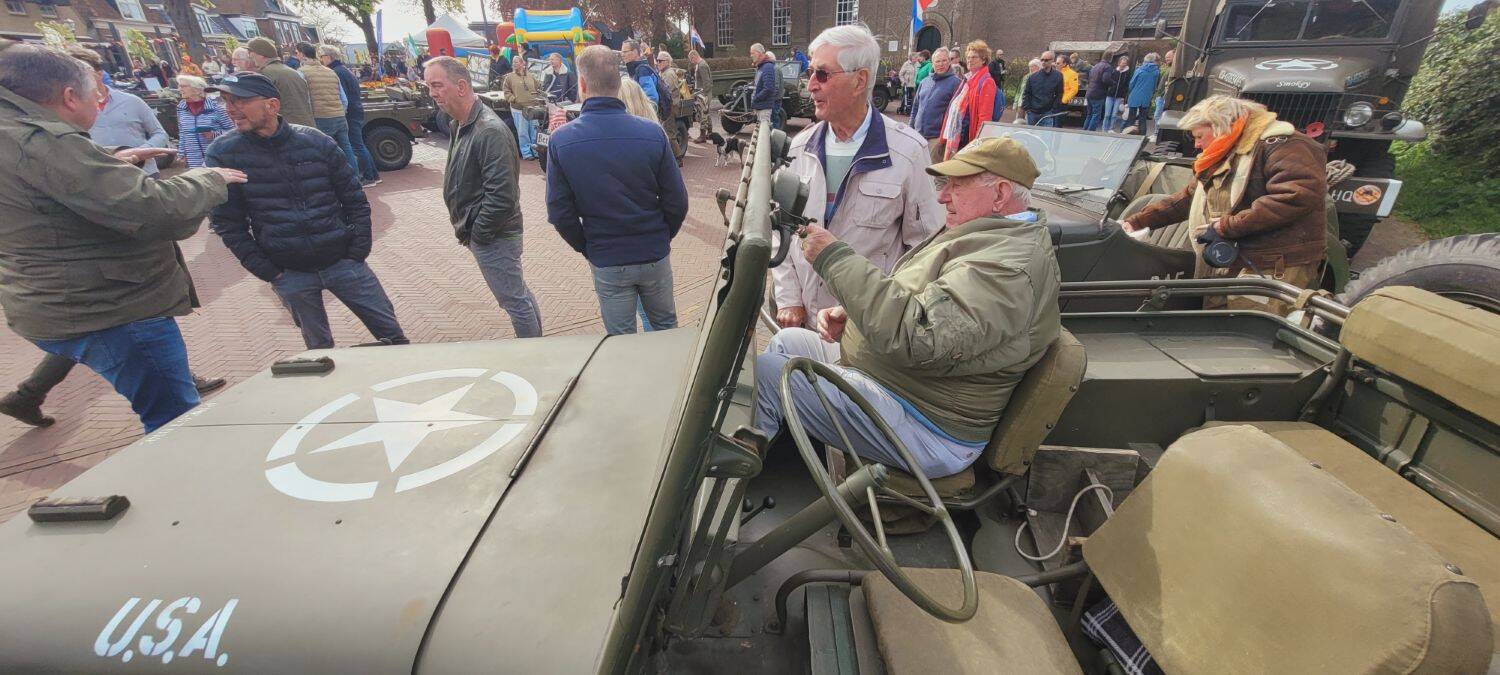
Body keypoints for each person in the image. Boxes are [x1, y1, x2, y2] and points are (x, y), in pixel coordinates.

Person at [754, 136, 1061, 478]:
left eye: (957, 186)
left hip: (928, 423)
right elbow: (925, 298)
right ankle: (776, 453)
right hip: (901, 384)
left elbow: (919, 338)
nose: (942, 196)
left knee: (767, 373)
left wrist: (834, 259)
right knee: (788, 342)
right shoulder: (987, 238)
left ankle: (730, 489)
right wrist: (857, 317)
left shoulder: (1007, 269)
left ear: (1000, 193)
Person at [0, 45, 246, 432]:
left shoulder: (16, 132)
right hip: (110, 306)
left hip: (54, 298)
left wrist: (111, 158)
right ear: (68, 97)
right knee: (175, 421)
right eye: (94, 96)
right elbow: (155, 211)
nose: (100, 104)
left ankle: (28, 394)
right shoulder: (42, 141)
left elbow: (56, 178)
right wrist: (207, 180)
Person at [205, 73, 407, 350]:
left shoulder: (316, 142)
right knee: (319, 352)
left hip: (344, 262)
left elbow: (354, 199)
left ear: (272, 105)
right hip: (289, 272)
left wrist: (356, 251)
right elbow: (228, 223)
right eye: (226, 101)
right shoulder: (223, 154)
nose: (230, 109)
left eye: (240, 100)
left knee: (395, 339)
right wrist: (269, 271)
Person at [774, 25, 943, 330]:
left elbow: (926, 252)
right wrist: (789, 299)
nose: (811, 84)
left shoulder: (908, 152)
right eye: (810, 72)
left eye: (822, 74)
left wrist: (870, 309)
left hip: (869, 331)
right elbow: (780, 232)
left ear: (859, 80)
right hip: (803, 324)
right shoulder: (798, 148)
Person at [1121, 96, 1328, 315]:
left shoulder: (1284, 144)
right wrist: (1136, 222)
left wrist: (1227, 226)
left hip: (1270, 264)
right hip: (1228, 260)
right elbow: (1191, 197)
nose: (1197, 144)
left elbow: (1295, 196)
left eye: (1200, 136)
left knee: (1249, 332)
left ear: (1221, 126)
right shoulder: (1226, 151)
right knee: (1217, 329)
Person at [546, 45, 687, 335]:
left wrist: (588, 246)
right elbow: (677, 201)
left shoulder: (561, 141)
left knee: (620, 343)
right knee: (666, 331)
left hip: (607, 255)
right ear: (618, 81)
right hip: (652, 252)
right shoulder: (652, 133)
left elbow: (560, 212)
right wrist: (660, 235)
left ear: (582, 84)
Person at [421, 57, 544, 338]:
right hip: (487, 232)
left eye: (437, 85)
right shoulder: (459, 124)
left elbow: (502, 196)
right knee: (517, 294)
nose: (433, 93)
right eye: (429, 87)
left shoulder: (488, 130)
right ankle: (538, 347)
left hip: (495, 234)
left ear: (461, 86)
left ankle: (536, 354)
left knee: (513, 300)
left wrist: (479, 233)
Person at [70, 47, 170, 175]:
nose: (77, 80)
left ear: (99, 74)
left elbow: (160, 133)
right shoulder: (70, 111)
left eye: (83, 74)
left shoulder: (132, 101)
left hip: (144, 174)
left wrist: (141, 152)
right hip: (105, 181)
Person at [297, 42, 360, 176]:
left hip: (321, 117)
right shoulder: (331, 72)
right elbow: (343, 98)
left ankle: (335, 181)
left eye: (297, 53)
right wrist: (340, 111)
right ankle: (355, 178)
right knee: (347, 148)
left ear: (302, 55)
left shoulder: (302, 73)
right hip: (339, 115)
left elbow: (306, 98)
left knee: (324, 151)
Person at [322, 45, 380, 187]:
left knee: (356, 145)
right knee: (359, 144)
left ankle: (368, 177)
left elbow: (343, 96)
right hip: (356, 109)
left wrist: (343, 111)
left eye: (322, 56)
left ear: (329, 57)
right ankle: (373, 174)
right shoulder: (344, 70)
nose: (321, 59)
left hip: (351, 112)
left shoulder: (336, 72)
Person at [938, 40, 1002, 160]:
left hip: (968, 137)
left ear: (983, 60)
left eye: (974, 57)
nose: (969, 60)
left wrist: (977, 144)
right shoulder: (968, 79)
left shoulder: (986, 81)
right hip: (959, 133)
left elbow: (984, 118)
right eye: (968, 57)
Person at [244, 36, 314, 127]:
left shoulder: (265, 74)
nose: (249, 55)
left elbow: (260, 108)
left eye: (250, 52)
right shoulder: (292, 71)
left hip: (288, 129)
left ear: (261, 54)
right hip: (306, 126)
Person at [909, 47, 961, 164]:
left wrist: (944, 139)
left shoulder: (956, 83)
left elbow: (957, 115)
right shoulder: (925, 82)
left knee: (935, 175)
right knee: (917, 170)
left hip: (937, 138)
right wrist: (910, 128)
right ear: (933, 63)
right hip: (918, 135)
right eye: (938, 61)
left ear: (949, 61)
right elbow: (916, 107)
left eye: (944, 61)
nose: (941, 64)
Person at [174, 74, 235, 168]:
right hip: (193, 161)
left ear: (198, 89)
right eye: (179, 86)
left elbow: (233, 132)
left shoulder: (216, 108)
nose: (179, 89)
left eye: (183, 86)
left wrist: (213, 134)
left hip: (216, 158)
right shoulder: (181, 108)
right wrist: (181, 153)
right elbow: (182, 133)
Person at [501, 56, 541, 160]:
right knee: (523, 132)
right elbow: (506, 91)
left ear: (523, 63)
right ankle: (527, 153)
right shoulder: (509, 77)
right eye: (513, 62)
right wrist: (513, 99)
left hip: (533, 108)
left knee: (534, 131)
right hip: (518, 109)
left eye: (516, 62)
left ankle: (536, 152)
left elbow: (538, 87)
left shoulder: (531, 76)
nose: (514, 64)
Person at [621, 39, 670, 122]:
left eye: (625, 52)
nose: (622, 55)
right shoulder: (633, 70)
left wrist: (643, 119)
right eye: (622, 52)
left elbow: (652, 99)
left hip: (646, 120)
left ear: (635, 52)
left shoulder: (642, 71)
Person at [1020, 50, 1063, 126]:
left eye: (1046, 60)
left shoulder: (1058, 76)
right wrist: (1027, 109)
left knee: (1046, 136)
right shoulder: (1032, 77)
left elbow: (1059, 93)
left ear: (1052, 60)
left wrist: (1054, 109)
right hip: (1032, 113)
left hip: (1048, 113)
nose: (1043, 62)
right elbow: (1026, 93)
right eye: (1042, 60)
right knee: (1031, 136)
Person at [1125, 52, 1160, 134]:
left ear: (1145, 60)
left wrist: (1131, 90)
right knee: (1143, 118)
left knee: (1131, 117)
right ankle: (1142, 135)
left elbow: (1132, 83)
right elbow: (1155, 86)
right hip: (1146, 97)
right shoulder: (1156, 72)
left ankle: (1128, 134)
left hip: (1135, 95)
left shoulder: (1139, 70)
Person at [749, 42, 778, 126]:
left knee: (764, 135)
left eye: (752, 53)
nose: (751, 56)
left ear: (759, 53)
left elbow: (768, 88)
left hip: (764, 108)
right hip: (760, 107)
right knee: (761, 135)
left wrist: (756, 98)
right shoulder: (761, 67)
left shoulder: (767, 67)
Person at [687, 49, 712, 141]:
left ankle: (702, 136)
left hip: (704, 94)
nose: (691, 62)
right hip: (702, 93)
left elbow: (707, 83)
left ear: (694, 57)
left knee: (703, 114)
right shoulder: (700, 64)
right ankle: (710, 133)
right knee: (706, 113)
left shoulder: (702, 65)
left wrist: (701, 95)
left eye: (691, 59)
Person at [1104, 54, 1132, 133]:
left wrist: (1124, 97)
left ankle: (1111, 129)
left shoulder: (1127, 73)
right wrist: (1109, 88)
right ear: (1119, 63)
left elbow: (1127, 86)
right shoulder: (1113, 71)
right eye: (1122, 62)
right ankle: (1104, 129)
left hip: (1119, 96)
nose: (1123, 64)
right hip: (1110, 95)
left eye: (1125, 63)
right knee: (1107, 114)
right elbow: (1108, 81)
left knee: (1114, 114)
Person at [1083, 54, 1111, 131]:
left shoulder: (1095, 66)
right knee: (1096, 115)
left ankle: (1084, 133)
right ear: (1110, 58)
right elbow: (1106, 79)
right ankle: (1090, 134)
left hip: (1089, 92)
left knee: (1089, 114)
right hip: (1098, 94)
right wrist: (1113, 83)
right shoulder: (1107, 67)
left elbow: (1089, 78)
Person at [1154, 50, 1175, 135]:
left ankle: (1157, 133)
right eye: (1166, 57)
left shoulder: (1174, 69)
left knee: (1158, 115)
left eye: (1169, 57)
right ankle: (1157, 133)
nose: (1167, 59)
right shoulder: (1169, 68)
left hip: (1164, 96)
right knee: (1158, 115)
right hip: (1161, 95)